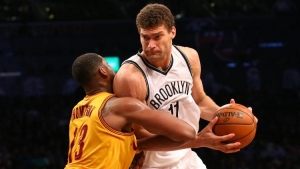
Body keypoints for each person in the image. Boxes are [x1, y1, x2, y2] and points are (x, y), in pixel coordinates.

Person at [113, 3, 258, 169]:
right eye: (145, 37)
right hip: (152, 163)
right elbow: (139, 139)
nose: (150, 45)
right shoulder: (130, 77)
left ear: (172, 32)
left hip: (187, 155)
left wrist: (230, 116)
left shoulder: (189, 57)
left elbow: (200, 101)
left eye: (157, 36)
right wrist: (197, 141)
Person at [64, 53, 198, 169]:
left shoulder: (77, 110)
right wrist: (138, 146)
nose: (113, 71)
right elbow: (187, 132)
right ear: (103, 72)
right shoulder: (120, 106)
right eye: (108, 66)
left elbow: (100, 148)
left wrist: (130, 150)